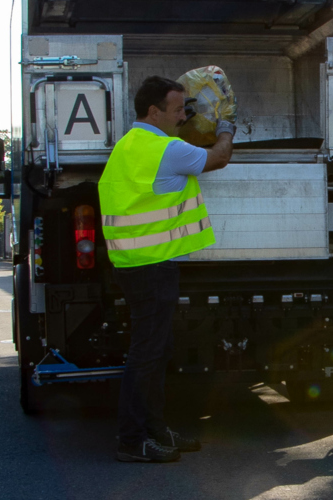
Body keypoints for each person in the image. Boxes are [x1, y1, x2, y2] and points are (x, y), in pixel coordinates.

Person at [99, 75, 235, 463]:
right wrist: (226, 128)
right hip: (152, 266)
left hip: (135, 263)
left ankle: (155, 429)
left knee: (155, 351)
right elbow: (219, 157)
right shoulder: (166, 149)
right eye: (178, 109)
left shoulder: (128, 146)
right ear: (154, 111)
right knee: (147, 353)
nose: (183, 116)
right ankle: (132, 439)